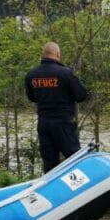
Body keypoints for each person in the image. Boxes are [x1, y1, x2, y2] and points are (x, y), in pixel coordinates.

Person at [25, 41, 90, 172]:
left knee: (50, 165)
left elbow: (32, 98)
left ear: (43, 55)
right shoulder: (65, 73)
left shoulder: (31, 75)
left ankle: (52, 190)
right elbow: (82, 96)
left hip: (43, 125)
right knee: (75, 160)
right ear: (58, 54)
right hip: (63, 124)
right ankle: (81, 189)